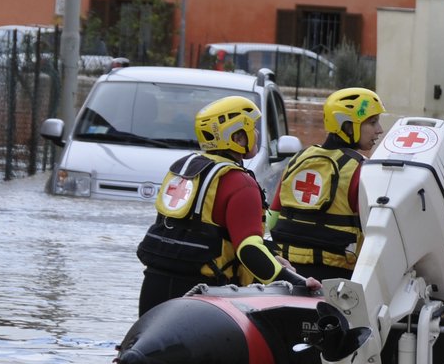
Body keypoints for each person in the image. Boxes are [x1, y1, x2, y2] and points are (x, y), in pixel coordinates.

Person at [137, 95, 320, 314]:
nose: (257, 134)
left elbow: (192, 234)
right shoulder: (241, 183)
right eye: (253, 128)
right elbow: (249, 250)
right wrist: (297, 282)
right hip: (200, 294)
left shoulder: (183, 168)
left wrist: (272, 258)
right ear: (238, 137)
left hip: (153, 284)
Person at [268, 87, 383, 282]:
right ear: (348, 127)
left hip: (288, 273)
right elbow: (376, 233)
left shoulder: (298, 159)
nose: (380, 129)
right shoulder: (361, 170)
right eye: (372, 122)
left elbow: (272, 220)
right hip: (337, 277)